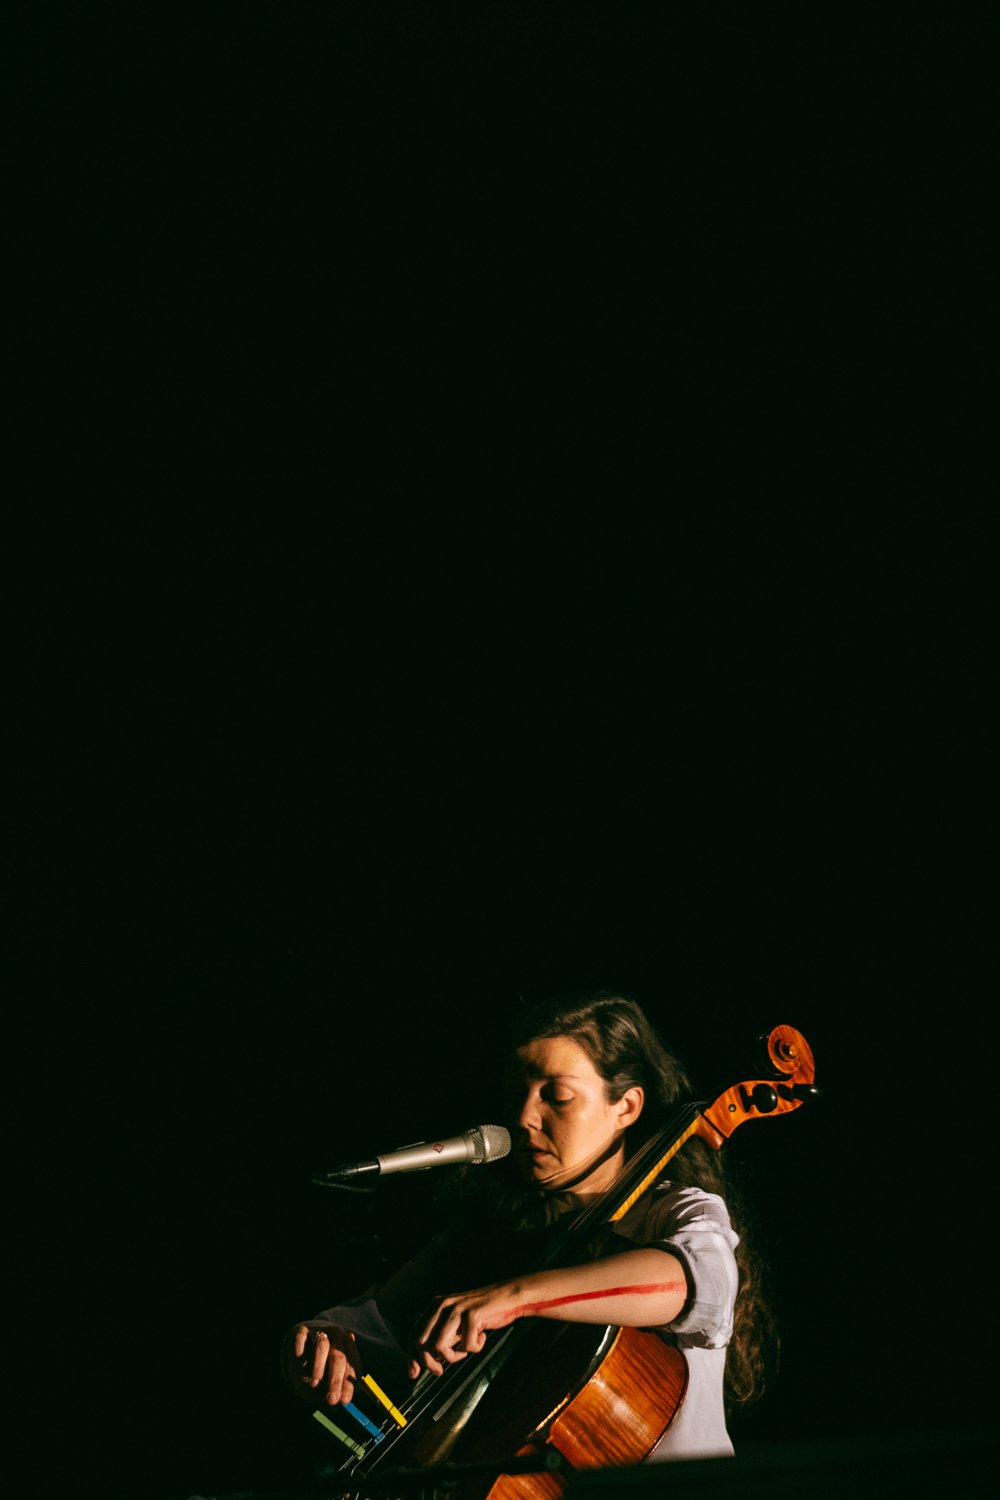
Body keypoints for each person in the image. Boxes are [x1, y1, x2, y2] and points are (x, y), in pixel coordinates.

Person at [282, 990, 776, 1469]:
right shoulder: (493, 1232)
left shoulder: (675, 1211)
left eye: (557, 1097)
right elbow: (364, 1325)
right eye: (514, 1094)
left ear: (626, 1107)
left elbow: (698, 1284)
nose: (523, 1117)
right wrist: (321, 1343)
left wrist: (517, 1296)